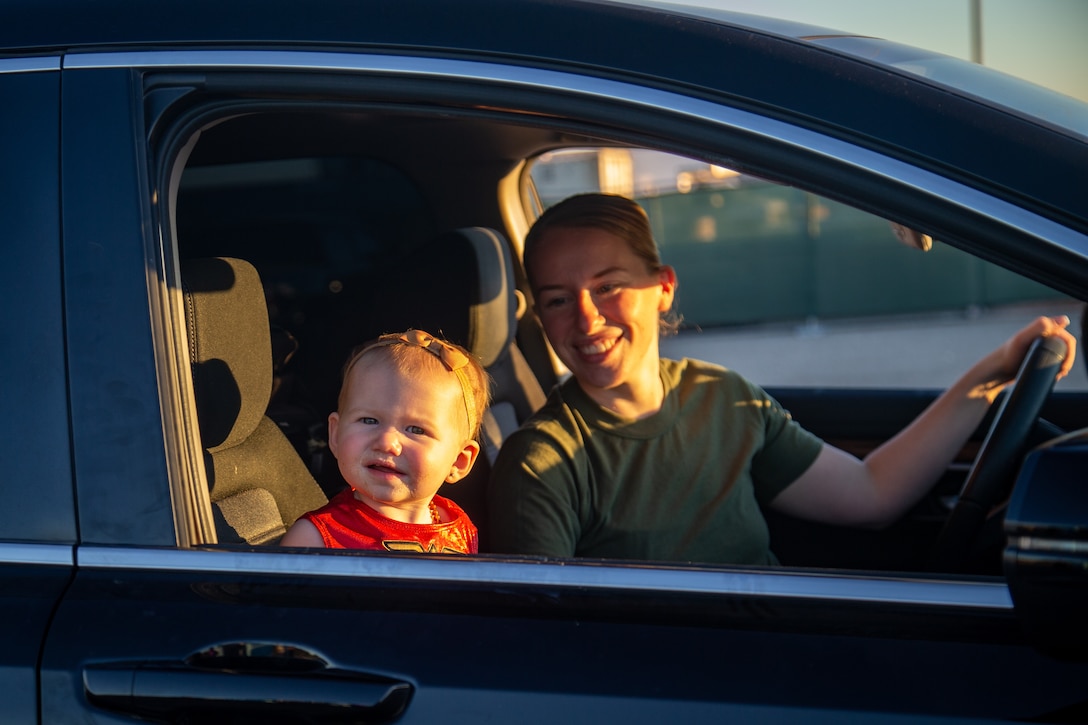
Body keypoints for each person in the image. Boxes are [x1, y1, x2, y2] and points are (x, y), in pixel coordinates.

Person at [486, 193, 1078, 564]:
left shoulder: (722, 397)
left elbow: (869, 494)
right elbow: (546, 637)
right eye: (559, 299)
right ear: (540, 317)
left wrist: (994, 372)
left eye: (609, 286)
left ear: (663, 288)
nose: (586, 318)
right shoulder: (541, 463)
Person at [281, 329, 491, 553]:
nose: (387, 442)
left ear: (459, 460)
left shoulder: (460, 528)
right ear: (335, 434)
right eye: (369, 420)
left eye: (416, 430)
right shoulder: (315, 539)